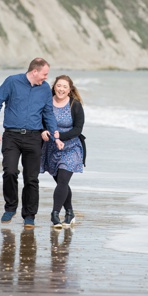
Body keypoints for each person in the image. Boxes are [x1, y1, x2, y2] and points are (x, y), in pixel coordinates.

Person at [0, 57, 62, 228]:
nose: (46, 78)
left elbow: (48, 113)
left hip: (34, 138)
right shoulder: (12, 82)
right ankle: (10, 207)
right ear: (34, 71)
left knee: (31, 178)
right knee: (10, 171)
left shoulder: (44, 88)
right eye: (44, 74)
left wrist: (55, 136)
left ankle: (29, 215)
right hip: (12, 136)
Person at [40, 75, 85, 229]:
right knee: (62, 183)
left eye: (65, 87)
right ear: (54, 87)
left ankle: (54, 214)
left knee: (63, 181)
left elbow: (78, 129)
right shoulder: (47, 103)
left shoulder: (75, 105)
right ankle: (70, 212)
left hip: (72, 148)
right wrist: (43, 131)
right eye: (59, 86)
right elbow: (39, 121)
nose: (61, 89)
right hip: (52, 149)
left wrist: (61, 135)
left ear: (69, 89)